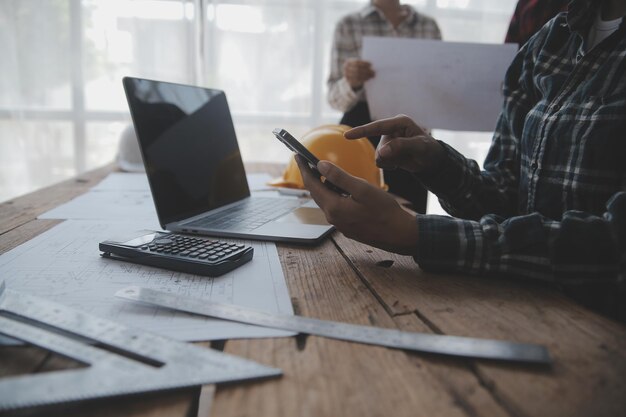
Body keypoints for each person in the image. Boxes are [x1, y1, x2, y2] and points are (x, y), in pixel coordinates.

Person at [299, 0, 626, 322]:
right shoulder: (549, 40)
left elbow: (615, 247)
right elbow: (507, 194)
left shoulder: (432, 26)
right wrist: (436, 163)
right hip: (522, 306)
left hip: (598, 325)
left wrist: (418, 235)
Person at [327, 0, 441, 213]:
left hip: (413, 132)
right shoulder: (348, 24)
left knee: (411, 219)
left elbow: (437, 88)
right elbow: (335, 100)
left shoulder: (428, 26)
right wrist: (351, 82)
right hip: (360, 134)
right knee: (352, 213)